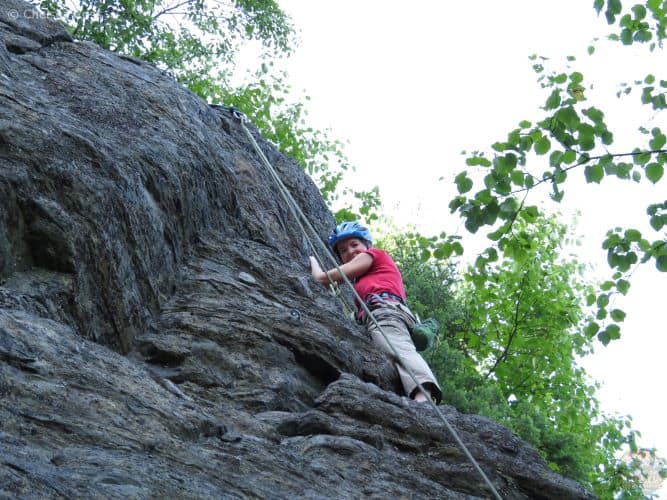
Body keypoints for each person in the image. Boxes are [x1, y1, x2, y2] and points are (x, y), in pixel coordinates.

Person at [310, 221, 442, 404]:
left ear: (366, 245)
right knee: (389, 353)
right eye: (343, 250)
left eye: (354, 244)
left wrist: (313, 263)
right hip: (381, 312)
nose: (350, 251)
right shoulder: (364, 277)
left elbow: (324, 279)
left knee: (397, 347)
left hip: (386, 311)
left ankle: (424, 394)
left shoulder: (374, 254)